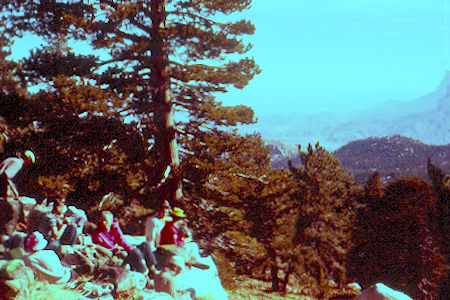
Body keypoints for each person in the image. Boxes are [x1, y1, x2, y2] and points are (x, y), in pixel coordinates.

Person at [92, 210, 158, 275]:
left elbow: (122, 241)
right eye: (102, 220)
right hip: (115, 255)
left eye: (106, 221)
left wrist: (131, 248)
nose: (104, 223)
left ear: (111, 221)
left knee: (145, 245)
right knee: (135, 252)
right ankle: (144, 274)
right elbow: (100, 249)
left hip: (120, 249)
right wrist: (114, 249)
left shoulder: (114, 228)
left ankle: (152, 270)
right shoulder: (97, 234)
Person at [0, 150, 35, 236]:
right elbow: (7, 175)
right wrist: (9, 190)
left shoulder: (12, 159)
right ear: (28, 160)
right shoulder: (18, 163)